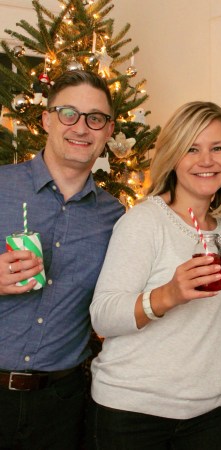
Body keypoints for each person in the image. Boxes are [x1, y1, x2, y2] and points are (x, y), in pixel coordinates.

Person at [88, 101, 221, 450]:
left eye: (218, 148)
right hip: (131, 410)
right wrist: (168, 295)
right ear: (173, 156)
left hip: (206, 409)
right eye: (192, 149)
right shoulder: (144, 222)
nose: (207, 160)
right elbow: (103, 316)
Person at [0, 70, 125, 449]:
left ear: (108, 130)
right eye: (69, 113)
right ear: (46, 119)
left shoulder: (115, 217)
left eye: (95, 118)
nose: (81, 127)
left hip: (62, 404)